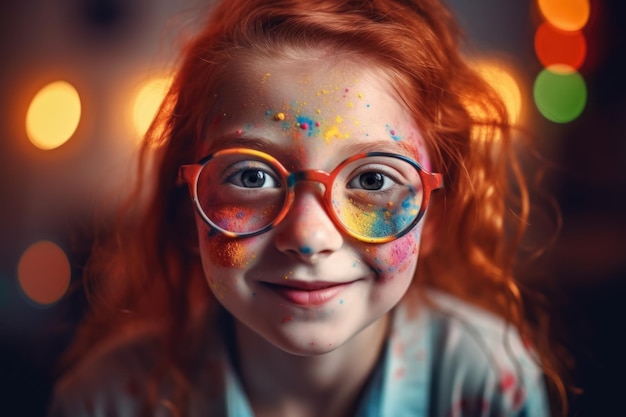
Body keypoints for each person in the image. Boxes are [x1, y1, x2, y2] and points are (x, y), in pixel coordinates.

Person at [49, 0, 567, 416]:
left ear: (438, 214)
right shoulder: (106, 400)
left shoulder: (487, 380)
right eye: (251, 176)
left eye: (372, 179)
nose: (308, 234)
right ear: (189, 206)